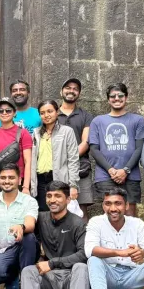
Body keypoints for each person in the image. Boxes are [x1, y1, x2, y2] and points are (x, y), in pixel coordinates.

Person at [17, 181, 89, 289]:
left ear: (68, 199)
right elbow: (24, 224)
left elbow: (83, 254)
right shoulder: (41, 218)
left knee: (82, 267)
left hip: (73, 280)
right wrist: (17, 227)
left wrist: (52, 263)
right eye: (49, 196)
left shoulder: (78, 223)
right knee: (28, 271)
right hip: (50, 280)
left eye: (58, 196)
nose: (52, 200)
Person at [85, 188, 144, 289]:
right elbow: (90, 250)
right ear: (103, 206)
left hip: (133, 278)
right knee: (93, 260)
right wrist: (120, 253)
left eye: (118, 203)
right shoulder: (96, 222)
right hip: (108, 278)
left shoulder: (137, 224)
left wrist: (142, 253)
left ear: (126, 206)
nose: (113, 208)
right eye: (108, 204)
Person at [89, 83, 144, 217]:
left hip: (131, 175)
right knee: (111, 213)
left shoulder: (138, 120)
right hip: (105, 175)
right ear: (108, 99)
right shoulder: (98, 121)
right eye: (112, 96)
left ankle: (131, 239)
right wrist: (111, 170)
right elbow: (94, 149)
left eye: (120, 95)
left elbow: (139, 148)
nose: (117, 98)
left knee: (130, 214)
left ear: (126, 97)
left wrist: (125, 170)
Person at [31, 100, 80, 211]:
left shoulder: (67, 131)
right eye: (42, 113)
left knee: (60, 212)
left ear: (57, 112)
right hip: (40, 180)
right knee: (43, 214)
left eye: (50, 111)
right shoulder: (36, 133)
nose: (46, 115)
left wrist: (73, 185)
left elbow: (73, 160)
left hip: (59, 179)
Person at [58, 78, 93, 223]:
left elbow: (86, 141)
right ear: (61, 91)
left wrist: (68, 159)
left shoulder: (86, 116)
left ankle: (82, 245)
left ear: (79, 93)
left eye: (75, 89)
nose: (71, 91)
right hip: (56, 168)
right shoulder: (52, 114)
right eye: (68, 87)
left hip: (80, 167)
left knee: (81, 210)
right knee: (57, 206)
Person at [0, 98, 32, 195]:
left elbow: (28, 161)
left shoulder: (23, 133)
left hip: (15, 178)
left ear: (14, 113)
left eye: (8, 110)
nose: (4, 113)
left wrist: (26, 186)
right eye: (1, 111)